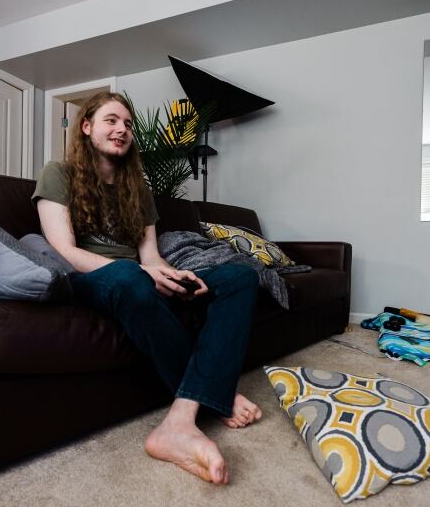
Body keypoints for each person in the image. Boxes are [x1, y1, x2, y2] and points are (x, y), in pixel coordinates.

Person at [32, 92, 262, 485]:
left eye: (128, 123)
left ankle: (180, 420)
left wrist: (168, 275)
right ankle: (211, 397)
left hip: (139, 277)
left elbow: (150, 256)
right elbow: (65, 252)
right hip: (93, 279)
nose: (122, 129)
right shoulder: (58, 173)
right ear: (86, 127)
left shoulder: (137, 187)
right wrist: (139, 273)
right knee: (127, 275)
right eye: (111, 120)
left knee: (241, 277)